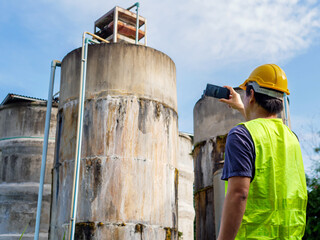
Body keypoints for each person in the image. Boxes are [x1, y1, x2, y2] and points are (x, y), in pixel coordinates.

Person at [217, 64, 308, 240]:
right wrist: (240, 106)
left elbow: (239, 194)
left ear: (251, 94)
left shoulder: (241, 135)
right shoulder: (292, 138)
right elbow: (264, 128)